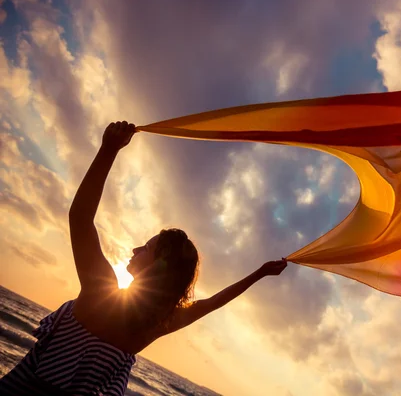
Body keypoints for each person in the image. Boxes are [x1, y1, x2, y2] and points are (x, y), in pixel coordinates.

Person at [0, 121, 288, 395]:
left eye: (146, 248)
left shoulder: (102, 295)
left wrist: (108, 150)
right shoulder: (159, 323)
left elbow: (80, 217)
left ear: (158, 266)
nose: (136, 249)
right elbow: (212, 303)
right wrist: (259, 274)